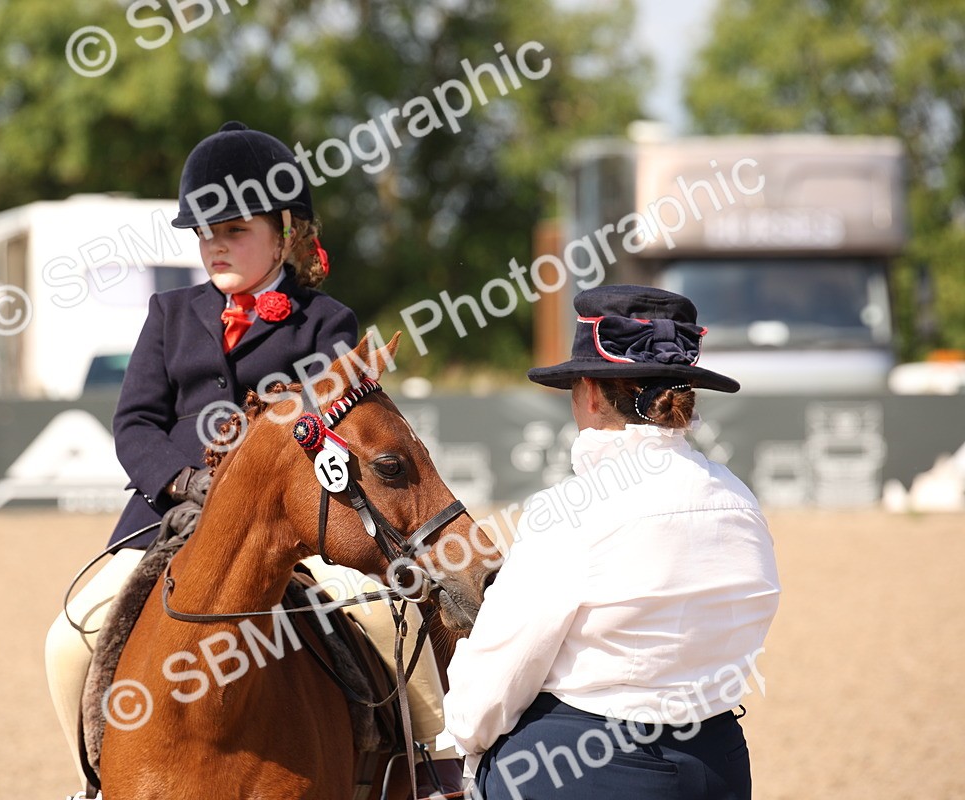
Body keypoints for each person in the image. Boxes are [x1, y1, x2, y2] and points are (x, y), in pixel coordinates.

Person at [44, 121, 458, 798]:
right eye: (205, 231)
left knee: (386, 615)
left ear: (284, 232)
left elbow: (341, 432)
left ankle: (428, 765)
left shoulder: (324, 322)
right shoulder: (169, 313)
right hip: (165, 520)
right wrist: (184, 481)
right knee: (68, 639)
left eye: (234, 229)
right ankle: (93, 779)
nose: (214, 244)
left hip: (291, 528)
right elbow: (135, 422)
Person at [444, 284, 781, 799]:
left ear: (594, 393)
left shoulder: (571, 511)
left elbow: (495, 680)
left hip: (591, 766)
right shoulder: (740, 500)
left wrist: (466, 748)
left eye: (576, 386)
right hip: (720, 762)